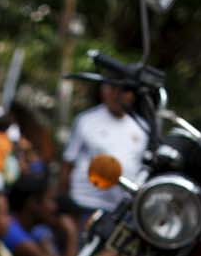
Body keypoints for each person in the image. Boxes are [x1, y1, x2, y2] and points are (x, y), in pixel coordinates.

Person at [60, 81, 147, 222]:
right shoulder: (86, 120)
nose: (117, 95)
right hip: (85, 204)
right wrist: (64, 201)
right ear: (104, 91)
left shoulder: (142, 127)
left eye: (124, 90)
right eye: (113, 89)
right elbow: (68, 162)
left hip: (119, 210)